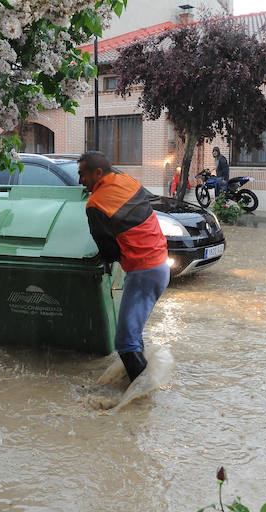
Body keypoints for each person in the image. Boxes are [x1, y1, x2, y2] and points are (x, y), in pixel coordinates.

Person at [78, 151, 170, 383]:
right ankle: (135, 383)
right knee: (133, 335)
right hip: (160, 266)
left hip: (143, 272)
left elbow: (108, 253)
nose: (80, 181)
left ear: (98, 173)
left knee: (125, 343)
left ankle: (141, 399)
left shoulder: (95, 204)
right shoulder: (129, 182)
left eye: (83, 175)